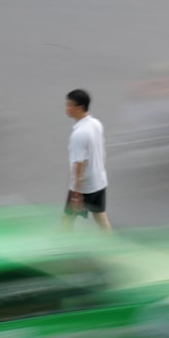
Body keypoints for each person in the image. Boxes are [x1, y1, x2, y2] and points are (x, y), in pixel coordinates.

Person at [63, 89, 112, 232]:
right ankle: (110, 243)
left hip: (83, 187)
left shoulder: (78, 134)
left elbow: (79, 166)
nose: (67, 109)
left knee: (67, 218)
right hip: (99, 182)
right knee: (101, 217)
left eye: (69, 105)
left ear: (79, 108)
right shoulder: (96, 124)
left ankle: (65, 247)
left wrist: (77, 194)